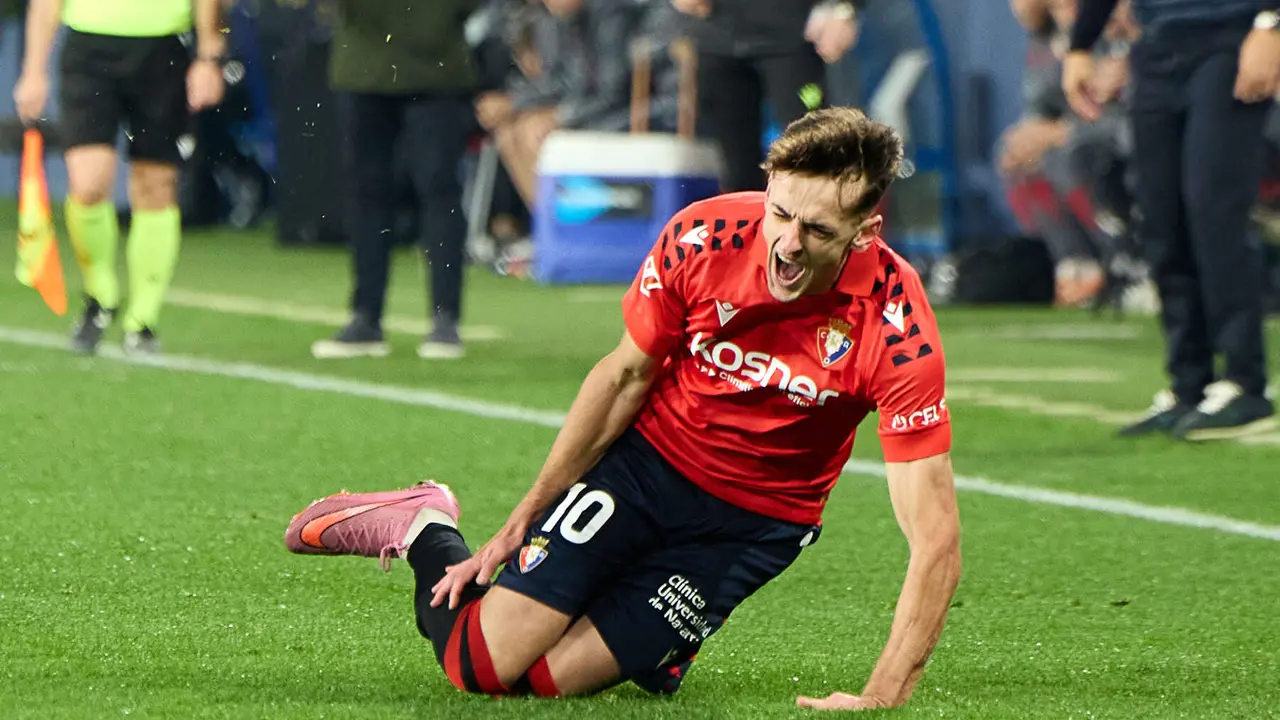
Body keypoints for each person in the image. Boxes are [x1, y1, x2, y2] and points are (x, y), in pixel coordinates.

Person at [284, 107, 961, 708]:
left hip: (749, 527)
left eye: (816, 230)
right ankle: (424, 526)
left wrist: (882, 695)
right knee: (480, 667)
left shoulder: (896, 330)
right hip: (645, 468)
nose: (786, 244)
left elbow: (935, 539)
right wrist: (526, 515)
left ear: (866, 231)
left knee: (545, 682)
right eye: (778, 213)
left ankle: (660, 639)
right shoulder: (703, 237)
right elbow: (623, 377)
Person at [1065, 0, 1280, 440]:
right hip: (1158, 44)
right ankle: (1189, 383)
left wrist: (1271, 23)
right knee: (1162, 218)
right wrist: (1080, 45)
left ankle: (1245, 381)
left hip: (1232, 36)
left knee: (1213, 209)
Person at [12, 0, 227, 355]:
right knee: (87, 185)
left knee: (156, 185)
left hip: (163, 47)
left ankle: (142, 320)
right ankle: (100, 294)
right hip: (88, 48)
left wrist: (209, 56)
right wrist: (34, 70)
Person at [309, 0, 481, 361]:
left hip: (423, 65)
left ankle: (433, 316)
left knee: (433, 190)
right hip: (382, 63)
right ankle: (375, 316)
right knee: (388, 192)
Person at [674, 0, 861, 192]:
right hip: (715, 34)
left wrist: (844, 8)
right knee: (734, 169)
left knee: (812, 151)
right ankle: (745, 220)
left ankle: (814, 219)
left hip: (797, 36)